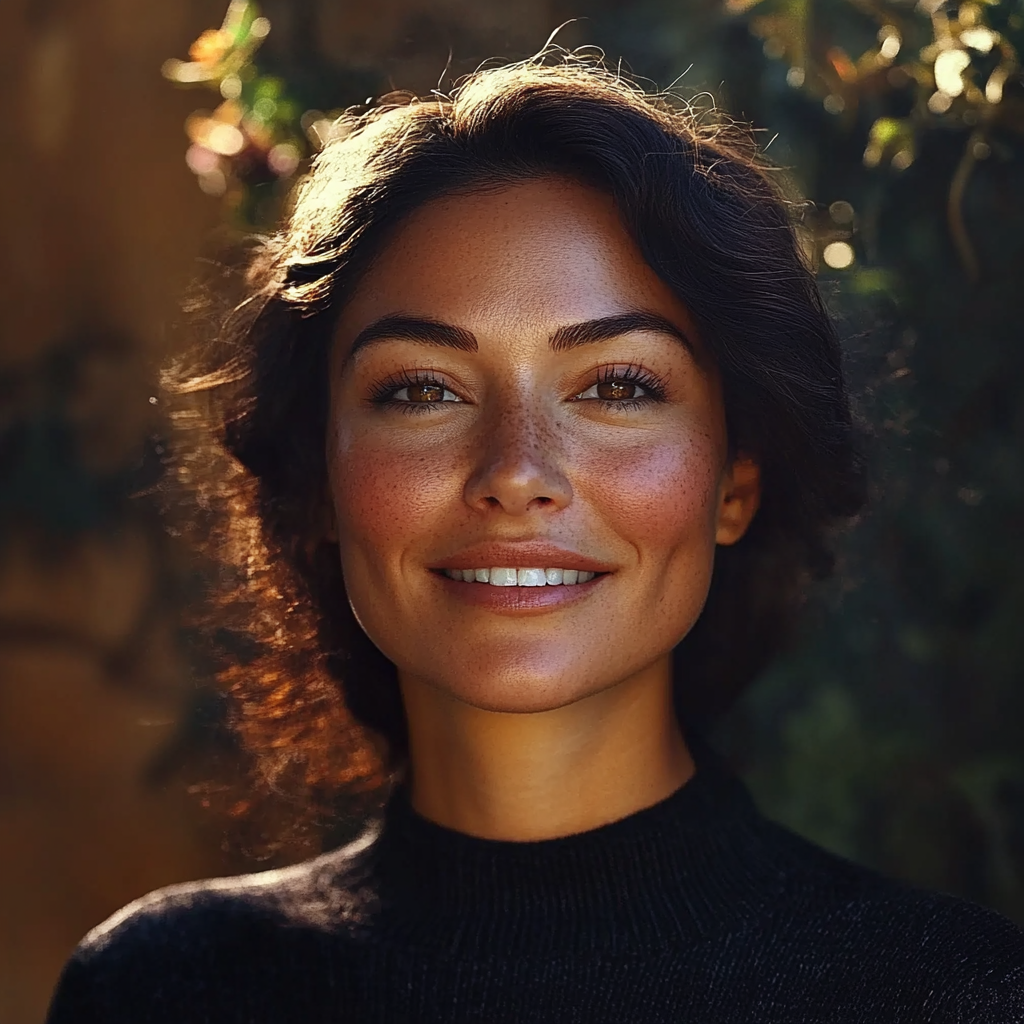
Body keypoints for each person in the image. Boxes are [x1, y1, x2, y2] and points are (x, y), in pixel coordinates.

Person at [46, 55, 1024, 1023]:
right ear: (320, 485)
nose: (515, 471)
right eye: (422, 390)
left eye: (616, 386)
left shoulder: (946, 992)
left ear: (734, 482)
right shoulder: (161, 989)